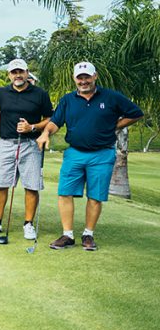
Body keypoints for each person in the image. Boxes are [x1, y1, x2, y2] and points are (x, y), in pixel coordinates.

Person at [37, 62, 143, 251]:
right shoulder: (68, 100)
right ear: (74, 79)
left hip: (102, 154)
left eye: (87, 76)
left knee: (95, 196)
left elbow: (136, 113)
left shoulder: (111, 97)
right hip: (75, 153)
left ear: (95, 76)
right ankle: (67, 235)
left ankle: (88, 234)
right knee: (64, 192)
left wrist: (116, 125)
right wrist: (45, 133)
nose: (83, 81)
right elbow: (55, 122)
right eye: (80, 77)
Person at [0, 59, 53, 240]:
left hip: (30, 145)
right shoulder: (1, 93)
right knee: (2, 184)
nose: (18, 75)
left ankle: (28, 224)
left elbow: (50, 119)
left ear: (27, 72)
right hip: (6, 144)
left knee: (31, 186)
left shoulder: (40, 94)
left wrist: (33, 127)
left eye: (21, 71)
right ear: (9, 75)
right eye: (14, 72)